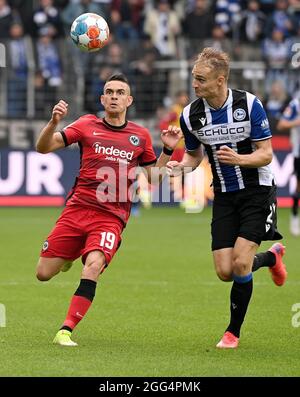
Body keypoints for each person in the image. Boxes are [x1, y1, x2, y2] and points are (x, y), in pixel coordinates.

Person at [35, 73, 180, 346]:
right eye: (109, 92)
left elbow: (154, 178)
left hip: (111, 217)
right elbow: (43, 147)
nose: (114, 96)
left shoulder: (139, 136)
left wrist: (167, 152)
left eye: (119, 92)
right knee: (43, 273)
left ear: (129, 100)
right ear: (103, 99)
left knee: (93, 266)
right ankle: (71, 253)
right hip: (77, 209)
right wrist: (53, 122)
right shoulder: (86, 124)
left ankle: (65, 330)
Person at [166, 47, 287, 349]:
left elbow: (266, 154)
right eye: (193, 78)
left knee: (241, 264)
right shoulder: (190, 115)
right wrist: (179, 166)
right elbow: (194, 157)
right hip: (223, 196)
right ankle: (272, 257)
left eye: (201, 79)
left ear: (220, 81)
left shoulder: (248, 105)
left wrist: (239, 159)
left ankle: (232, 332)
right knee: (225, 271)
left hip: (257, 192)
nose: (195, 85)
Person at [277, 97, 300, 236]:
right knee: (298, 186)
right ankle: (295, 217)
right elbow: (281, 124)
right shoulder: (296, 104)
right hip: (299, 153)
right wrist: (297, 121)